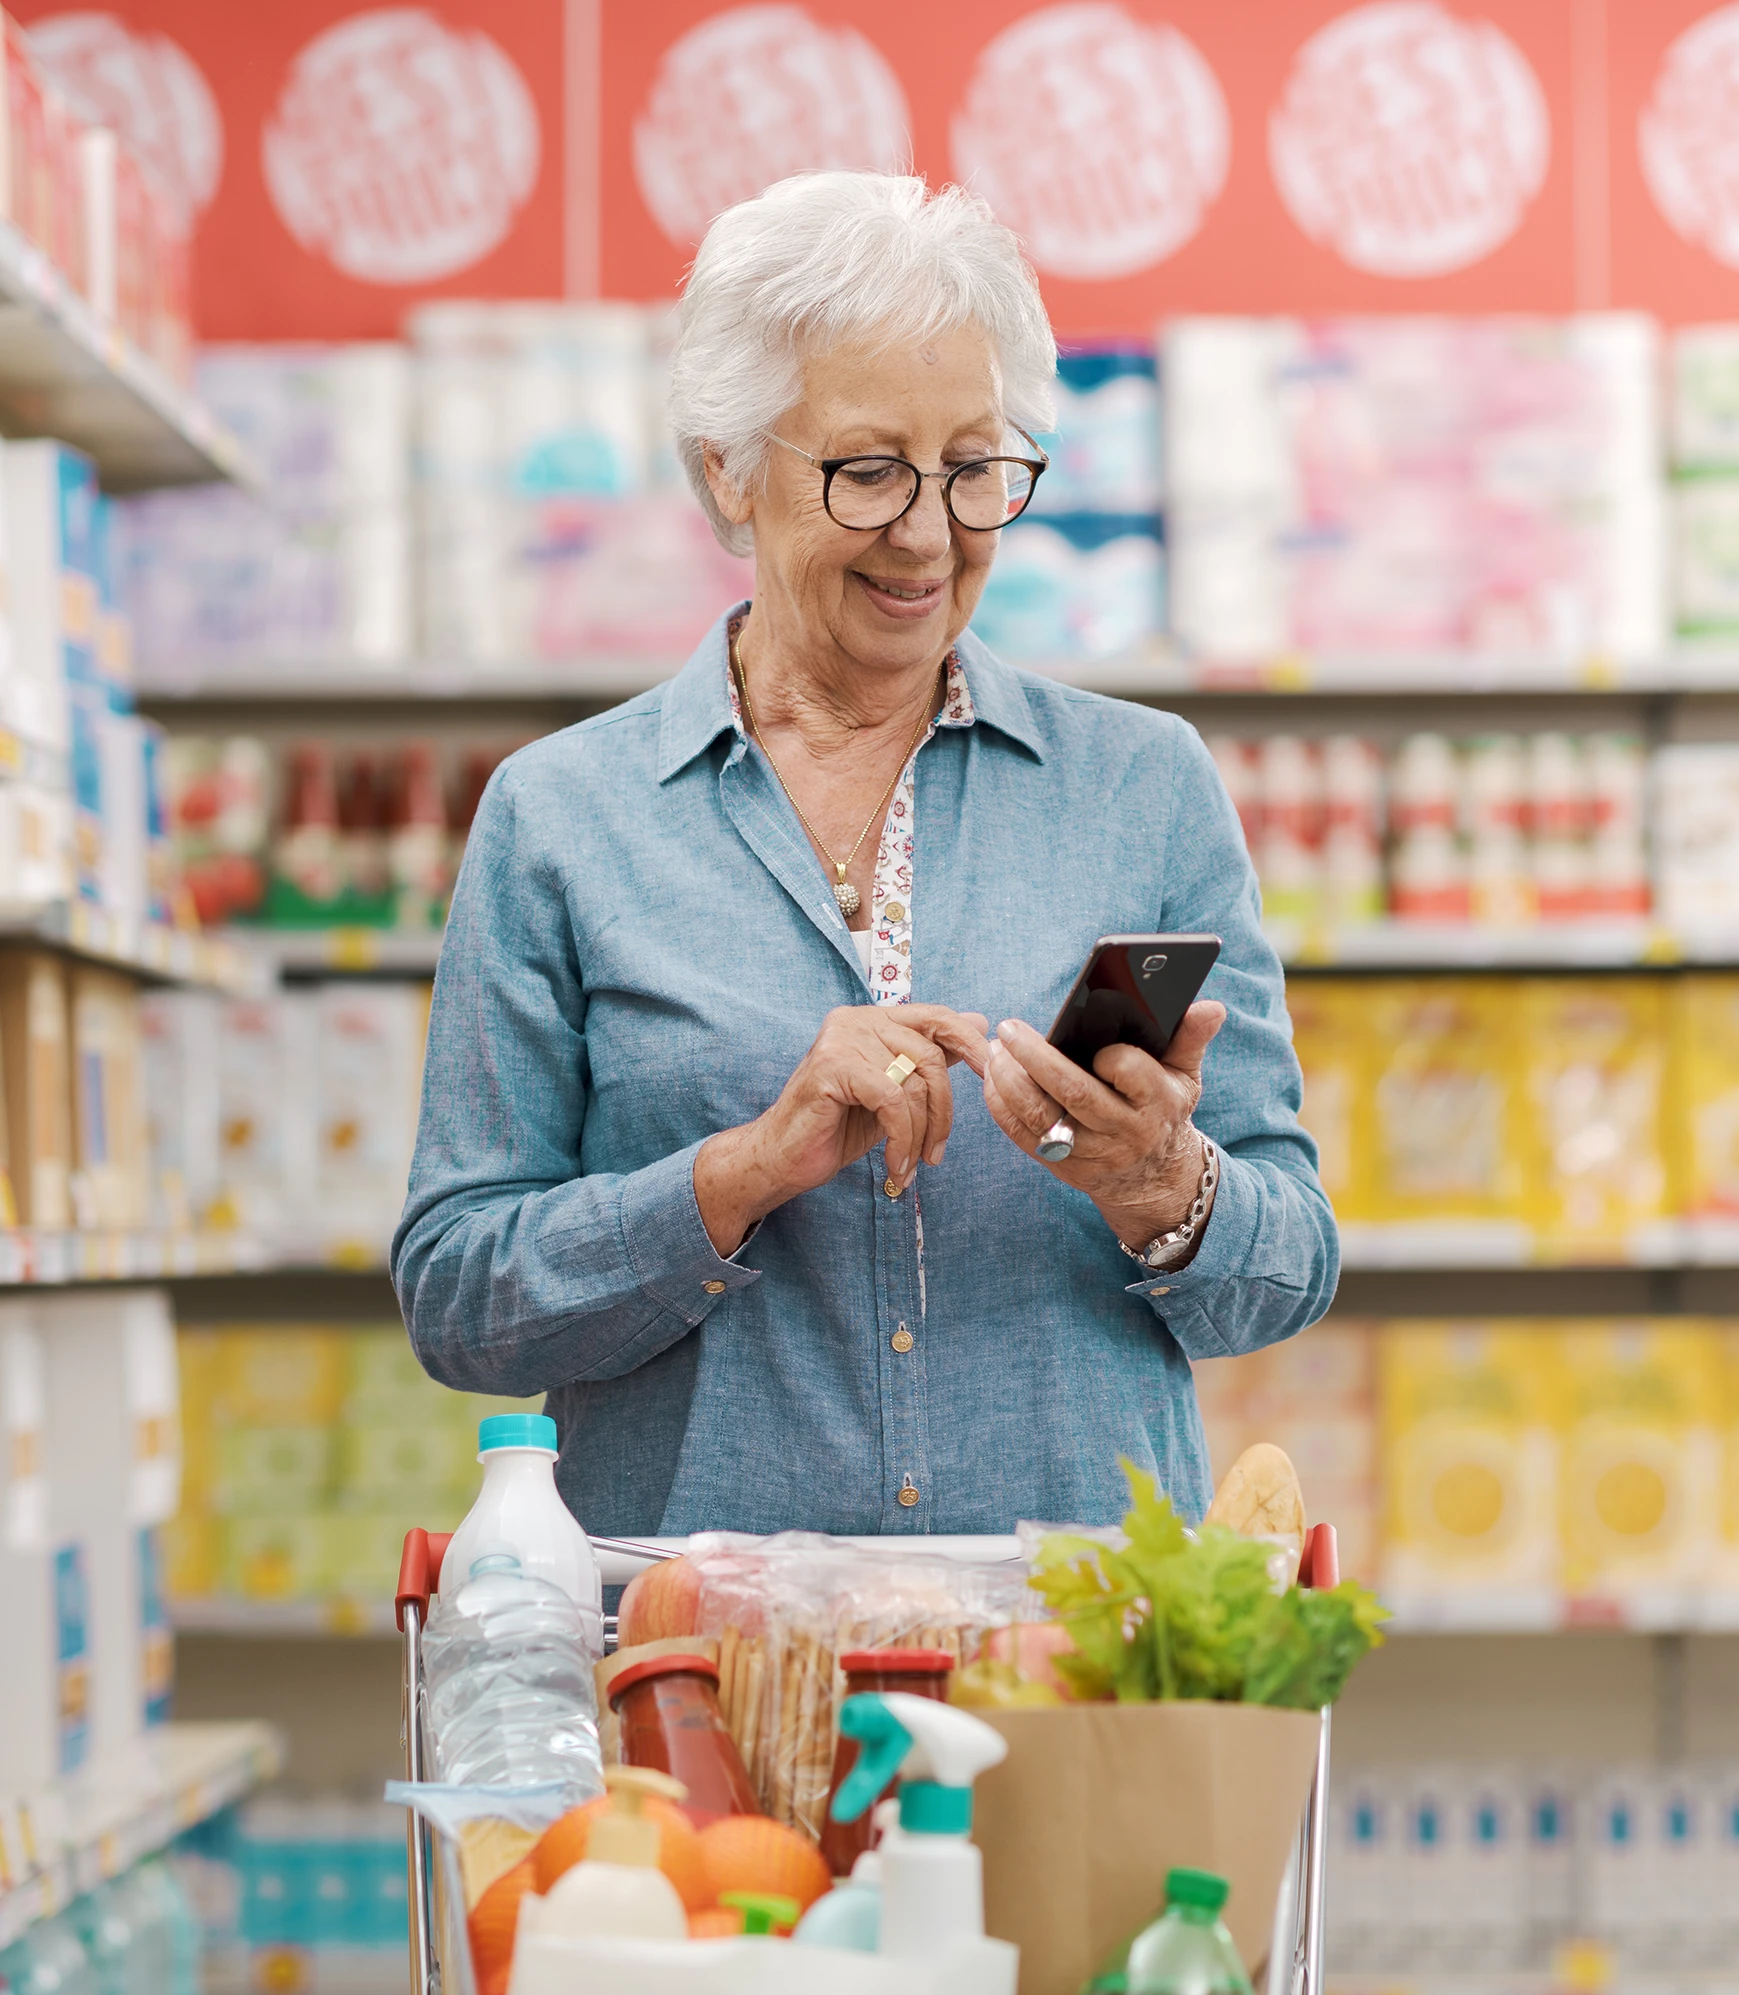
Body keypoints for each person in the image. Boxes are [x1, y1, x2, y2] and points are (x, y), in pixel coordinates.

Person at [392, 171, 1337, 1539]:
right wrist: (745, 1169)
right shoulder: (562, 817)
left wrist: (1156, 1185)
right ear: (726, 464)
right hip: (702, 1666)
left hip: (1063, 1664)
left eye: (972, 468)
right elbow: (458, 1299)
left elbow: (1288, 1264)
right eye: (868, 469)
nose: (928, 530)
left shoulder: (1142, 788)